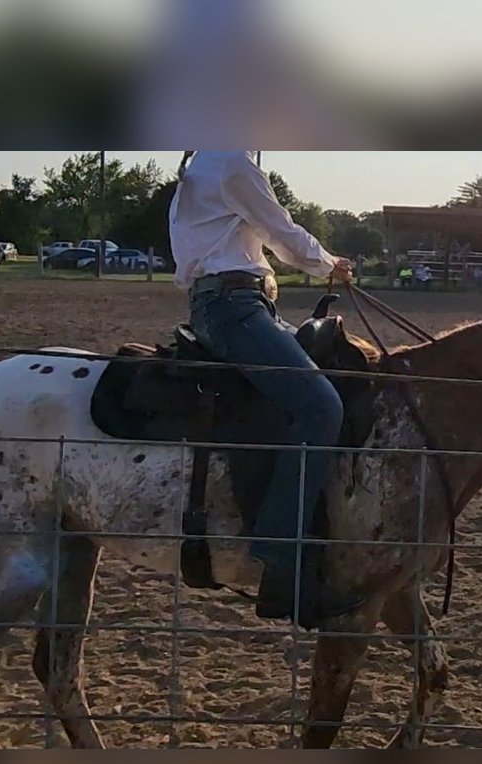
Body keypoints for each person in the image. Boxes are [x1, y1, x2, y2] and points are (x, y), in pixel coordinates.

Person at [168, 151, 365, 628]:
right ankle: (282, 559)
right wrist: (329, 264)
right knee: (320, 407)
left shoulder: (202, 163)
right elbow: (281, 232)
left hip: (231, 302)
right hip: (235, 305)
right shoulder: (231, 160)